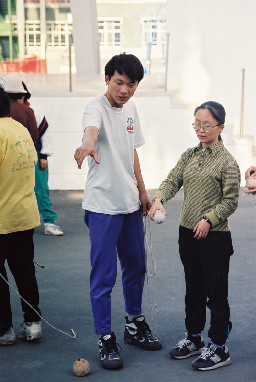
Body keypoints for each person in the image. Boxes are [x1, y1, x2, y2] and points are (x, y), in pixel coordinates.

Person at [74, 53, 162, 370]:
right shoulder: (94, 108)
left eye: (131, 84)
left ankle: (134, 324)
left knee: (136, 266)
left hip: (128, 205)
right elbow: (91, 131)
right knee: (104, 276)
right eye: (119, 82)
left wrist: (142, 191)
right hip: (101, 207)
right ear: (107, 78)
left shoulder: (131, 110)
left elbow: (132, 152)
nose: (124, 90)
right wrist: (88, 144)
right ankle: (105, 337)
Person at [149, 101, 240, 371]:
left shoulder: (228, 162)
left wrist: (209, 219)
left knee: (216, 293)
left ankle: (220, 347)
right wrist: (158, 199)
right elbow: (172, 179)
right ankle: (194, 338)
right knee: (194, 289)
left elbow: (231, 201)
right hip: (187, 233)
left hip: (215, 237)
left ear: (221, 127)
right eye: (197, 124)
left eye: (207, 125)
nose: (200, 130)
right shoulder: (189, 155)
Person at [0, 85, 42, 345]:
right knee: (24, 271)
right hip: (24, 214)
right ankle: (33, 323)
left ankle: (4, 329)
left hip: (2, 217)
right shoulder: (20, 129)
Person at [22, 81, 63, 236]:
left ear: (24, 95)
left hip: (36, 155)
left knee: (40, 189)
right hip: (11, 156)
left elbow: (46, 133)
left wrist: (44, 155)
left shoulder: (35, 111)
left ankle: (49, 222)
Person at [3, 74, 38, 142]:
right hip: (22, 150)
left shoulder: (2, 109)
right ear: (21, 94)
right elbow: (34, 135)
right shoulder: (28, 111)